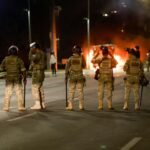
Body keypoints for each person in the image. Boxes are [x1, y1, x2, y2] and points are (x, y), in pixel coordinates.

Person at [0, 45, 26, 111]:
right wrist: (24, 78)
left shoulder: (5, 59)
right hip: (17, 78)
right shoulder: (19, 59)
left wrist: (6, 69)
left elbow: (1, 68)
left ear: (9, 52)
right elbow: (23, 70)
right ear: (17, 52)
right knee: (19, 93)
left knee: (8, 93)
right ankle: (21, 107)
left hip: (8, 78)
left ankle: (6, 107)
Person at [91, 46, 118, 110]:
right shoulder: (110, 59)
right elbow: (116, 64)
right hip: (109, 77)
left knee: (100, 91)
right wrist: (111, 55)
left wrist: (96, 54)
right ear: (107, 53)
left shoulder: (100, 59)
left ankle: (100, 106)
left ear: (102, 53)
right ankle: (110, 105)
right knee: (109, 92)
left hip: (101, 77)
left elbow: (92, 61)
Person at [65, 45, 86, 111]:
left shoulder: (70, 58)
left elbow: (67, 68)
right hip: (80, 76)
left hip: (72, 77)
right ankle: (81, 106)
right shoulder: (81, 58)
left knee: (71, 91)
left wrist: (66, 76)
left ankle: (70, 106)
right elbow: (84, 65)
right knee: (80, 91)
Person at [29, 42, 46, 110]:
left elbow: (32, 59)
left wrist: (30, 52)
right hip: (40, 72)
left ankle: (38, 103)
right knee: (40, 88)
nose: (31, 49)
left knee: (35, 88)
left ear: (35, 47)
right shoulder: (42, 52)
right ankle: (42, 103)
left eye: (32, 47)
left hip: (37, 72)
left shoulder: (37, 53)